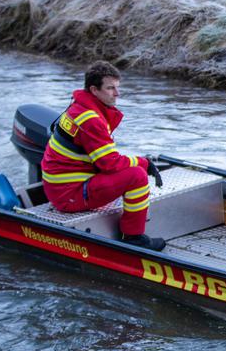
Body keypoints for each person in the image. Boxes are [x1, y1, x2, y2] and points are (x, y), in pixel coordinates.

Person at [40, 61, 165, 251]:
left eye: (117, 87)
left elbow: (103, 158)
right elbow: (109, 162)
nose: (117, 93)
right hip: (69, 194)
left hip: (61, 186)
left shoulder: (79, 106)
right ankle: (133, 238)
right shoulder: (90, 120)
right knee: (137, 176)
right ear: (94, 90)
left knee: (133, 169)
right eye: (110, 88)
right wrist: (144, 163)